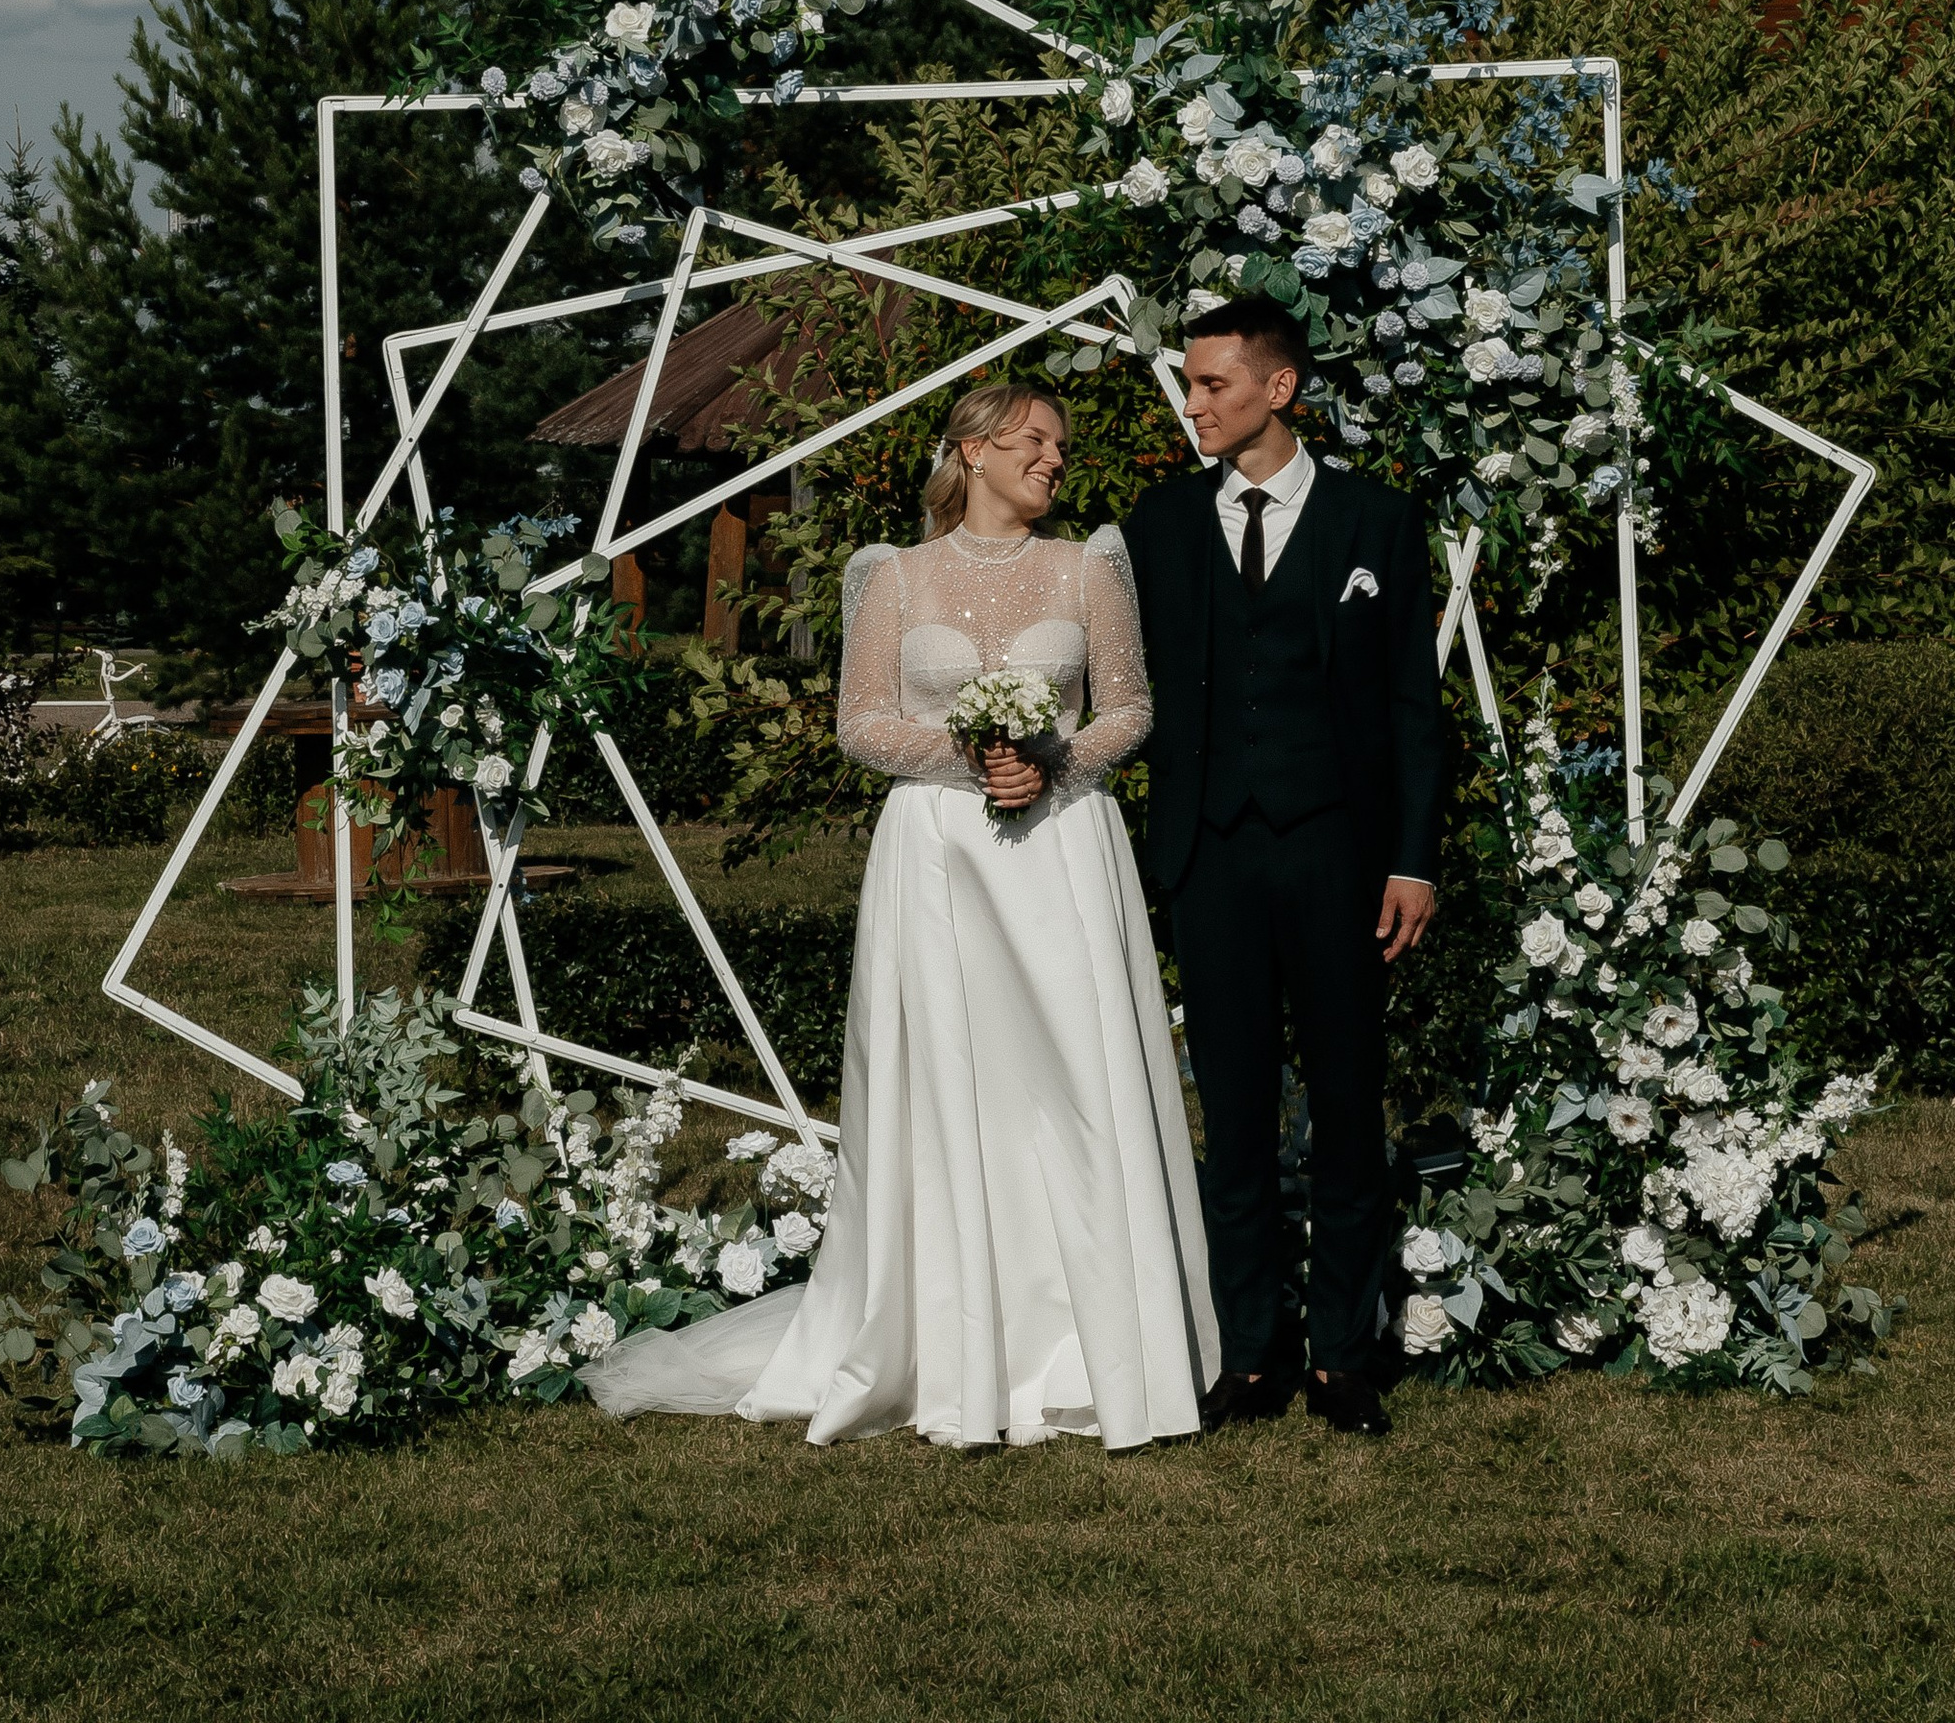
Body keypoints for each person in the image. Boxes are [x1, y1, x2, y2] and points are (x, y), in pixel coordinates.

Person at [584, 375, 1217, 1446]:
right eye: (1033, 440)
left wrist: (1050, 764)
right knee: (949, 1086)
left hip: (1062, 847)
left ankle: (1100, 1346)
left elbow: (1132, 708)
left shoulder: (1088, 566)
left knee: (1074, 1086)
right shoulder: (893, 577)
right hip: (936, 856)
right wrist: (973, 762)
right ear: (970, 451)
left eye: (1059, 447)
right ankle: (945, 1342)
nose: (1053, 461)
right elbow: (862, 723)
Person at [1123, 293, 1443, 1439]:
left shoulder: (1376, 524)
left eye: (1212, 384)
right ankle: (1250, 1355)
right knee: (1237, 1108)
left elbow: (1414, 705)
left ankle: (1342, 1354)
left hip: (1339, 855)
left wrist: (1412, 861)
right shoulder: (1158, 525)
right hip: (1208, 856)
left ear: (1278, 388)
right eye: (1191, 383)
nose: (1193, 404)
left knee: (1350, 1103)